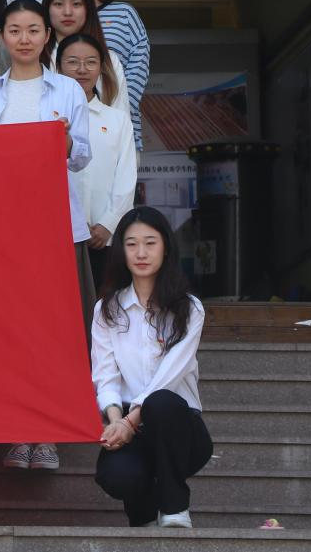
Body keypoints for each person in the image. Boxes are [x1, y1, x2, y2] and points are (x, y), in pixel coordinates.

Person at [0, 0, 91, 473]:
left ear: (47, 36)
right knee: (11, 331)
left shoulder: (68, 89)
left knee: (54, 332)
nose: (24, 39)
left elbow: (81, 156)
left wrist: (61, 139)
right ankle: (18, 432)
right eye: (15, 30)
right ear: (2, 36)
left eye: (33, 30)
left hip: (56, 225)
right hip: (3, 229)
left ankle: (49, 434)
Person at [92, 207, 210, 528]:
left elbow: (168, 377)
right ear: (121, 251)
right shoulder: (106, 310)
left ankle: (175, 509)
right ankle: (142, 519)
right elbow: (105, 375)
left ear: (166, 247)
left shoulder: (189, 308)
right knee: (116, 475)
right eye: (131, 244)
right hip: (131, 426)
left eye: (150, 243)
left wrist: (129, 423)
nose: (141, 253)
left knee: (160, 402)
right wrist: (115, 421)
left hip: (180, 427)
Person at [59, 34, 137, 282]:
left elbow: (126, 177)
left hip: (106, 239)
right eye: (73, 62)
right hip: (59, 236)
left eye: (91, 62)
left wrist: (108, 224)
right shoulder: (49, 119)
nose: (82, 70)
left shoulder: (117, 120)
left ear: (101, 67)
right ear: (58, 67)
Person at [63, 0, 149, 151]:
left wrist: (114, 111)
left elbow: (138, 69)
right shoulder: (59, 16)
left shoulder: (124, 14)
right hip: (67, 130)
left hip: (118, 129)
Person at [43, 0, 132, 125]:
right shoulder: (35, 58)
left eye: (76, 4)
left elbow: (121, 121)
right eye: (58, 4)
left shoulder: (109, 59)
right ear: (47, 8)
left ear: (88, 9)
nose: (67, 12)